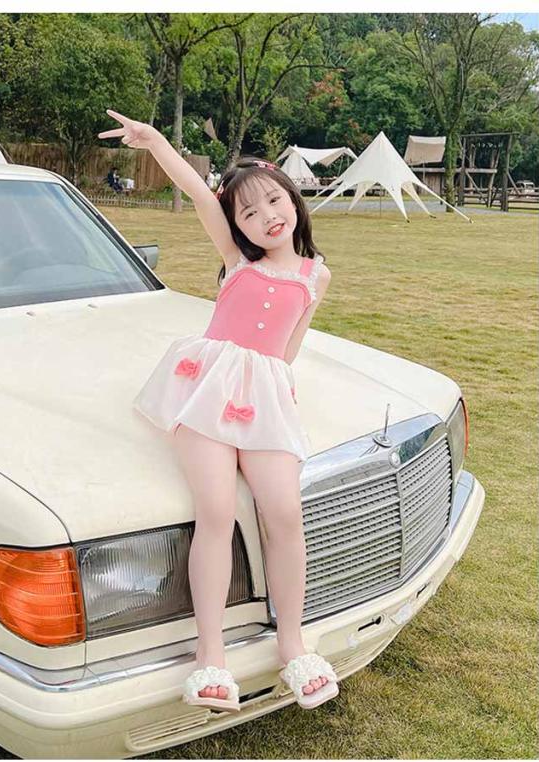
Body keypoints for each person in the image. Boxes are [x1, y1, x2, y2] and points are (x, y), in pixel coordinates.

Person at [98, 109, 337, 713]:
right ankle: (211, 656)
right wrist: (154, 141)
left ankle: (293, 644)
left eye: (274, 201)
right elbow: (197, 191)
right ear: (236, 226)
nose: (266, 217)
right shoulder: (238, 260)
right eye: (248, 213)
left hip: (265, 395)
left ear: (293, 199)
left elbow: (289, 349)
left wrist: (276, 394)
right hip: (207, 389)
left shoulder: (316, 275)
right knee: (217, 509)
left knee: (284, 512)